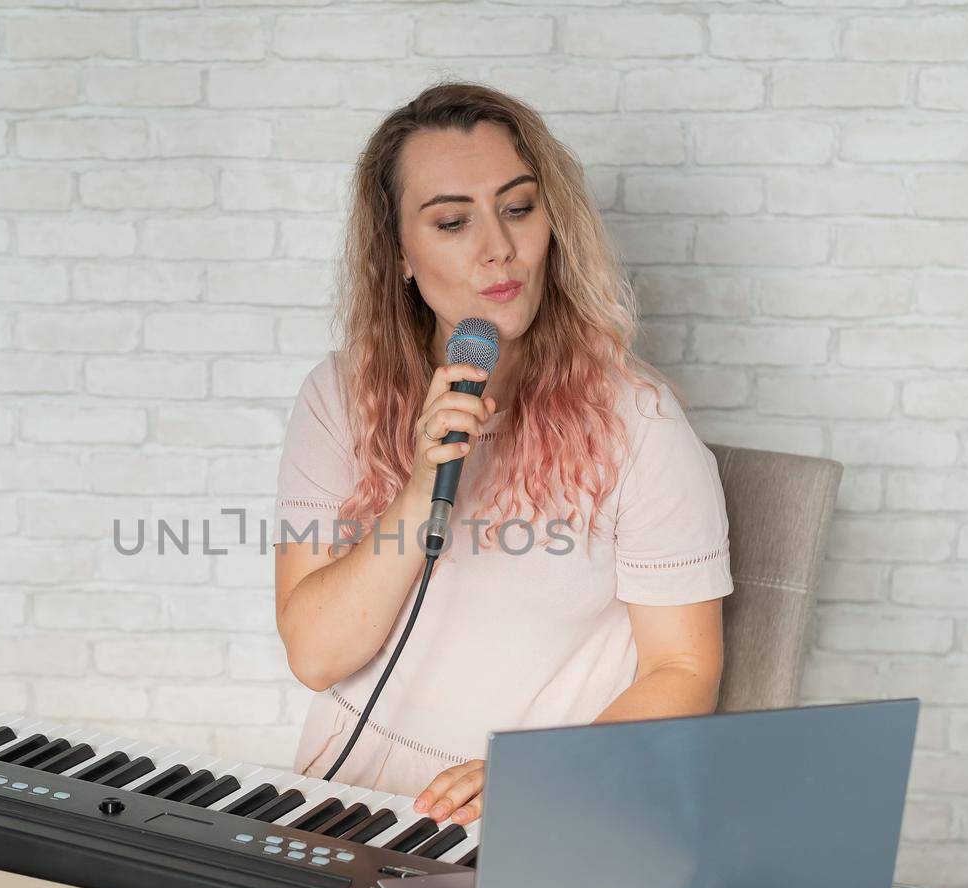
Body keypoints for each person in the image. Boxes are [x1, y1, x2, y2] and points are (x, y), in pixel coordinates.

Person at [272, 82, 732, 831]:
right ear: (400, 255)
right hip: (344, 795)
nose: (500, 247)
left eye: (518, 208)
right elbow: (317, 656)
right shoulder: (338, 396)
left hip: (525, 812)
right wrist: (422, 486)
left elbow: (683, 670)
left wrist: (541, 776)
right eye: (453, 221)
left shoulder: (641, 427)